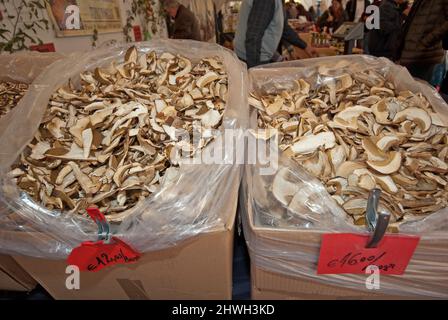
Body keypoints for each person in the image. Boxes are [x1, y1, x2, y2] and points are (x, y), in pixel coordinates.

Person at [234, 0, 317, 68]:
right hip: (253, 58)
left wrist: (305, 46)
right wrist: (255, 70)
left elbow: (285, 29)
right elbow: (253, 36)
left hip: (258, 57)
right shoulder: (266, 2)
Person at [398, 0, 448, 83]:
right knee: (402, 88)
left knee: (415, 90)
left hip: (425, 54)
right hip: (409, 51)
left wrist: (427, 40)